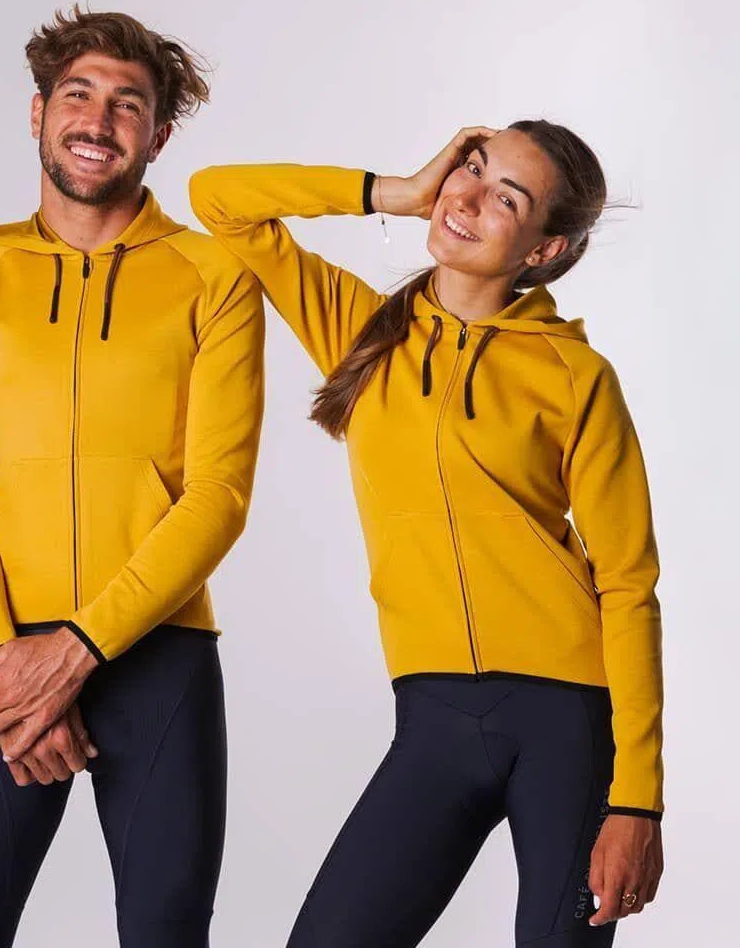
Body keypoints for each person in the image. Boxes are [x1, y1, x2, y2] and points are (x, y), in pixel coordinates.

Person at [190, 122, 663, 946]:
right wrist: (395, 191)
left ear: (544, 249)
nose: (468, 199)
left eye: (506, 198)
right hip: (434, 716)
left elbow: (628, 585)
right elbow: (218, 200)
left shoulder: (575, 376)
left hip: (568, 720)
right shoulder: (363, 331)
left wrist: (638, 801)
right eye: (470, 170)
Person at [0, 6, 264, 948]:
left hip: (160, 657)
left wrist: (76, 651)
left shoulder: (214, 277)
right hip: (4, 655)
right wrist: (5, 666)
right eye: (78, 95)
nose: (98, 122)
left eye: (128, 104)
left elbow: (220, 495)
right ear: (38, 113)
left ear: (158, 135)